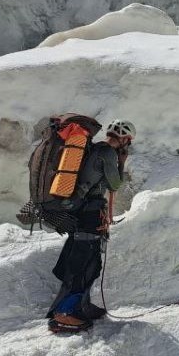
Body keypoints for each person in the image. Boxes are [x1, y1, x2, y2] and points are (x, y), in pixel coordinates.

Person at [46, 119, 135, 334]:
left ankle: (81, 306)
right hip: (90, 216)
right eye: (128, 140)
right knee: (83, 265)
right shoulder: (108, 153)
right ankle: (63, 315)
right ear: (123, 138)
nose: (128, 144)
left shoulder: (93, 148)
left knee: (91, 263)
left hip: (82, 213)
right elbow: (114, 184)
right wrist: (121, 162)